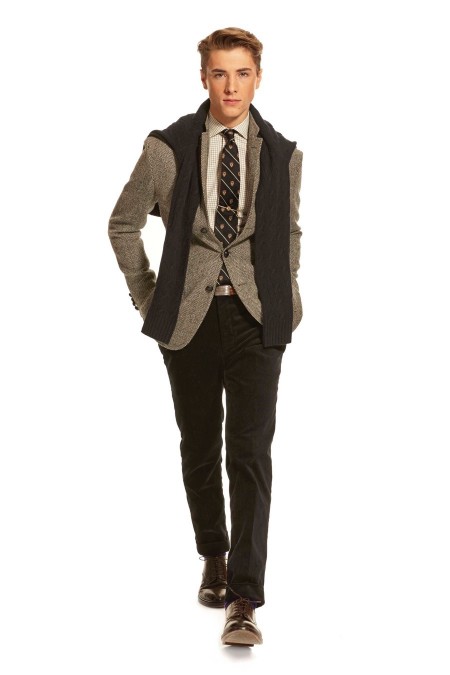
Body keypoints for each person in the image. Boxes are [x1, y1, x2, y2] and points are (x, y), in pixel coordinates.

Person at [108, 26, 303, 647]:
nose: (231, 87)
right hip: (188, 319)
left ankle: (244, 597)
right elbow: (122, 224)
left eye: (242, 73)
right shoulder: (167, 148)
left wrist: (288, 298)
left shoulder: (283, 153)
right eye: (220, 73)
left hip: (255, 319)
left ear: (258, 79)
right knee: (199, 445)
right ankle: (213, 556)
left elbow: (289, 231)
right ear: (204, 78)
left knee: (250, 452)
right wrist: (148, 296)